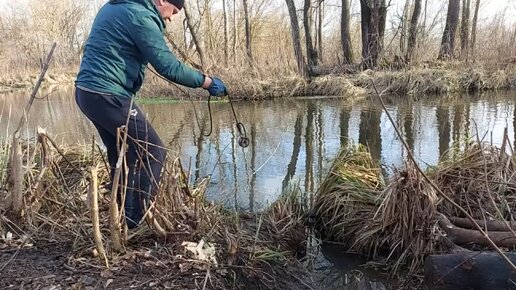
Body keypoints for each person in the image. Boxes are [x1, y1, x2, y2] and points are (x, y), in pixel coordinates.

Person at [75, 0, 227, 229]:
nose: (172, 17)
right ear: (161, 1)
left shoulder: (117, 6)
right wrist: (206, 82)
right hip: (109, 96)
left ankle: (124, 218)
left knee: (123, 154)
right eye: (173, 11)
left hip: (87, 93)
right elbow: (169, 67)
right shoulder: (140, 16)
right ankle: (140, 218)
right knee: (154, 150)